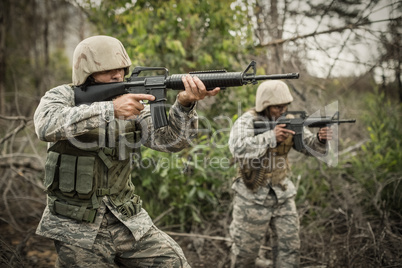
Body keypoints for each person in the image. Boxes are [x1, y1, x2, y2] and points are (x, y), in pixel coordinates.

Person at [34, 35, 220, 267]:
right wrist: (111, 109)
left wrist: (184, 104)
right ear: (87, 72)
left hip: (126, 220)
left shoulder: (131, 102)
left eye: (121, 69)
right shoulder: (63, 96)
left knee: (174, 261)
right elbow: (45, 125)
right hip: (75, 226)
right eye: (108, 70)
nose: (118, 75)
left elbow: (170, 142)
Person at [228, 80, 332, 267]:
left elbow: (310, 148)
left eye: (285, 106)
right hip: (251, 198)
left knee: (289, 250)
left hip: (282, 194)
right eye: (277, 107)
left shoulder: (290, 120)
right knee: (245, 254)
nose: (283, 111)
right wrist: (270, 137)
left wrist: (320, 140)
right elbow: (237, 148)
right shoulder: (247, 121)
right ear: (265, 105)